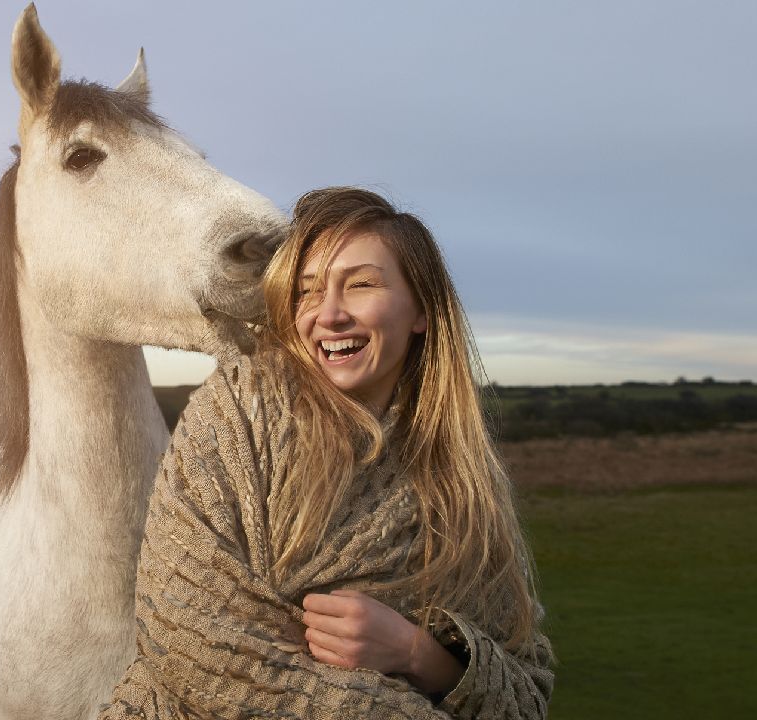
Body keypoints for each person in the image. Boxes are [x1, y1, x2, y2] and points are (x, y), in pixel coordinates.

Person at [100, 187, 553, 719]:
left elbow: (524, 698)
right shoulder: (236, 414)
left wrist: (417, 652)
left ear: (421, 310)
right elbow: (185, 629)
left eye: (360, 284)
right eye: (308, 291)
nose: (330, 314)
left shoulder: (462, 485)